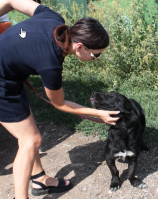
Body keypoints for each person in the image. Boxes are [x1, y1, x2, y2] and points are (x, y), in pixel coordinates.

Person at [0, 0, 120, 198]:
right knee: (30, 140)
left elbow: (11, 0)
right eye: (96, 56)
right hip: (3, 84)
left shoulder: (54, 18)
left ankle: (39, 180)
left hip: (10, 78)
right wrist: (98, 113)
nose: (96, 60)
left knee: (28, 130)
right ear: (80, 46)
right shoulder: (51, 62)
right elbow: (59, 103)